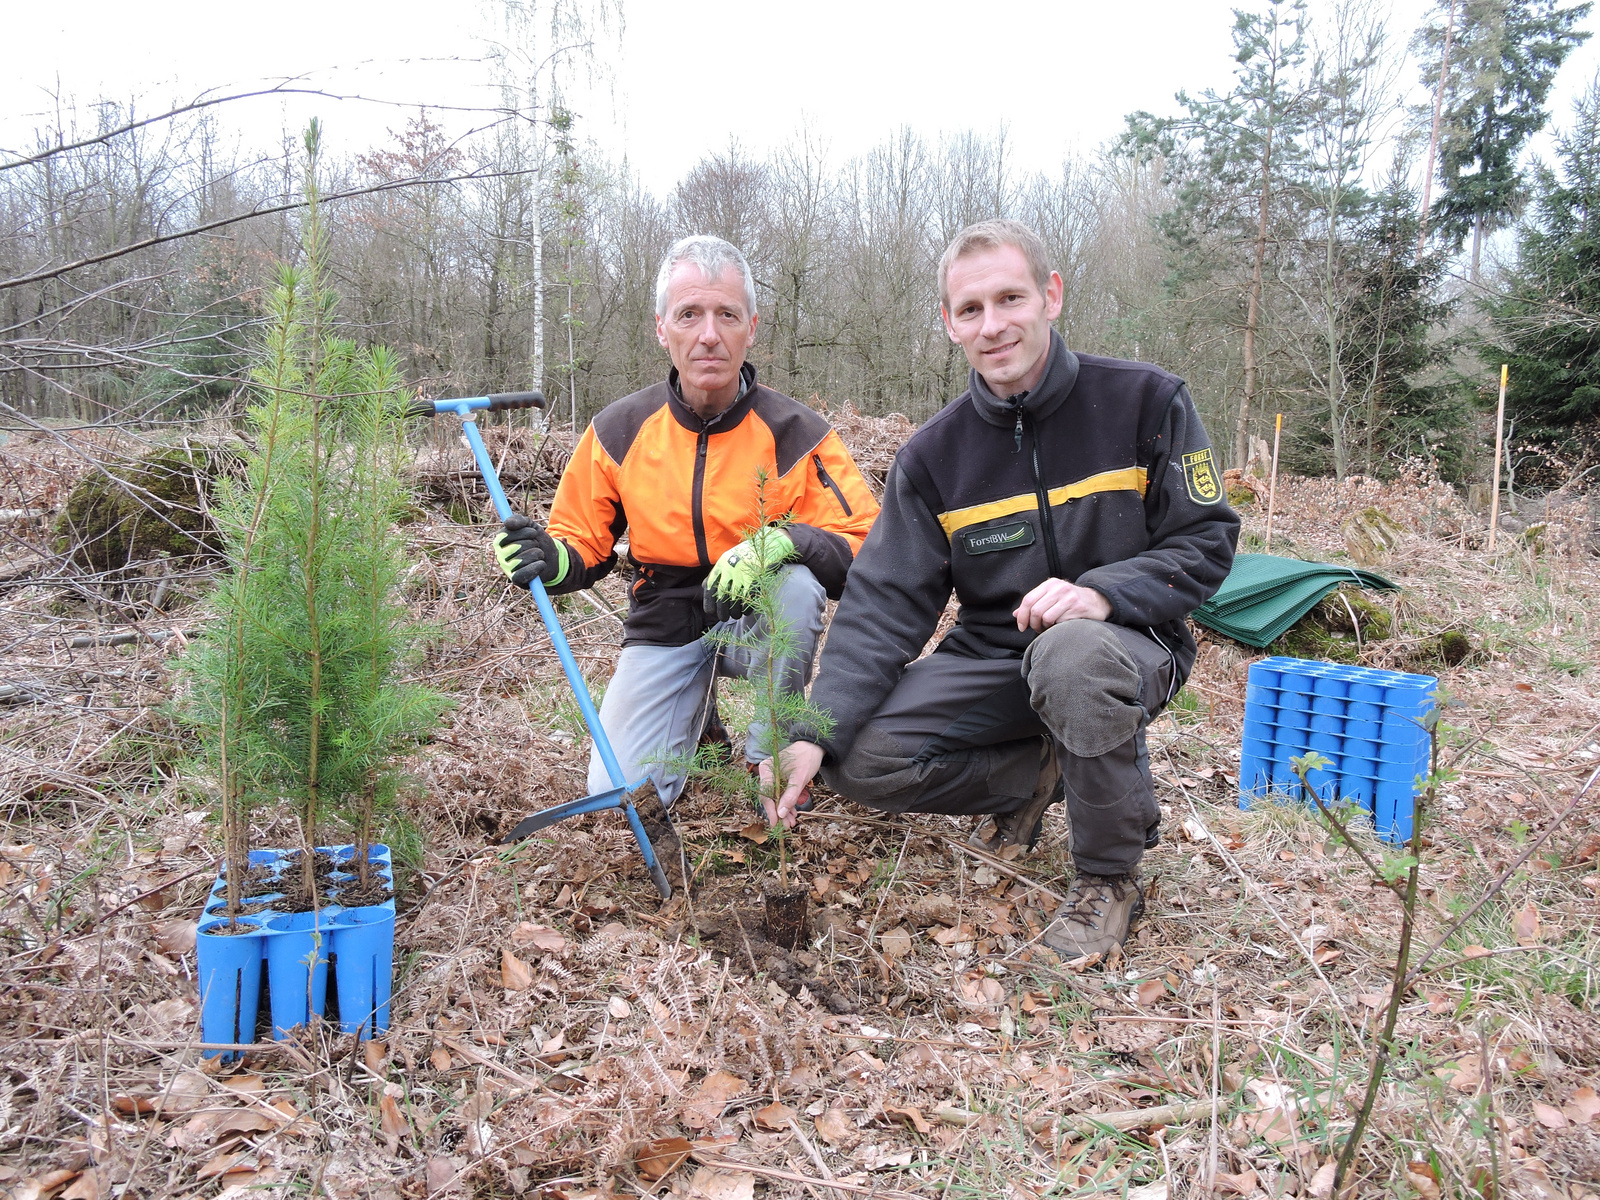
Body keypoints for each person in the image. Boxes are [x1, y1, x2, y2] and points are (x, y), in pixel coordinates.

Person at [770, 219, 1238, 958]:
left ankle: (1108, 878)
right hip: (994, 660)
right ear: (949, 323)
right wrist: (811, 732)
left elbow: (1208, 540)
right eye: (971, 310)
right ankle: (1040, 775)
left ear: (1051, 295)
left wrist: (1104, 594)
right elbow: (885, 602)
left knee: (1075, 656)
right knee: (858, 758)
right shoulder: (933, 456)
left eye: (1010, 298)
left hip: (1127, 644)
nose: (994, 326)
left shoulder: (1148, 402)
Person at [492, 235, 879, 806]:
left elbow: (866, 543)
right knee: (621, 793)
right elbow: (582, 542)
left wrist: (780, 541)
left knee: (796, 587)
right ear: (661, 328)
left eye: (726, 315)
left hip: (756, 616)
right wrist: (550, 560)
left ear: (752, 327)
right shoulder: (619, 430)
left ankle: (765, 758)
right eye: (689, 315)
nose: (708, 335)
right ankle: (699, 724)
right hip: (666, 617)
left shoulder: (800, 433)